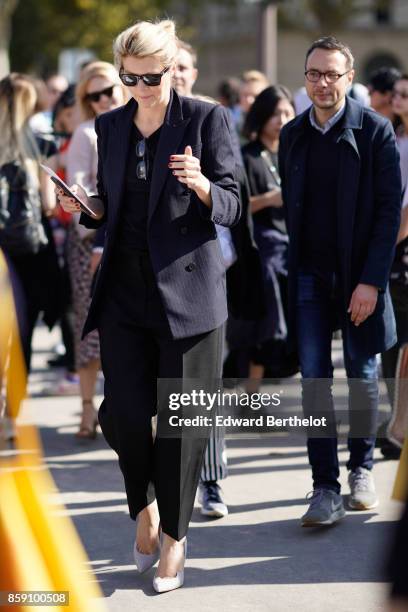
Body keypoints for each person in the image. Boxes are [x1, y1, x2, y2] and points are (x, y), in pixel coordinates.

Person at [56, 19, 240, 593]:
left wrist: (205, 185)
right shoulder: (109, 125)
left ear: (171, 67)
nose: (142, 87)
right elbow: (109, 206)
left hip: (189, 297)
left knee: (184, 427)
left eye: (153, 76)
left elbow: (234, 205)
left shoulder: (206, 118)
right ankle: (145, 512)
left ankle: (175, 541)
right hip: (126, 293)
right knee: (124, 416)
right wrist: (86, 208)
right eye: (130, 77)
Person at [279, 36, 401, 526]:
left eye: (332, 74)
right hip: (309, 274)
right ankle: (324, 486)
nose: (322, 83)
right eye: (314, 74)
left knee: (363, 376)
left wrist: (371, 281)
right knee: (314, 381)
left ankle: (362, 469)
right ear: (305, 79)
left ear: (350, 79)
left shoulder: (375, 131)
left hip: (360, 277)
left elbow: (388, 212)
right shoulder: (292, 134)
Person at [65, 61, 126, 438]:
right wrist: (97, 235)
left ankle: (122, 411)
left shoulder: (136, 125)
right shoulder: (86, 133)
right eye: (94, 94)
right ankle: (87, 410)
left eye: (109, 91)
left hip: (129, 240)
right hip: (91, 240)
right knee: (90, 329)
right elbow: (77, 191)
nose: (103, 99)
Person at [0, 73, 61, 439]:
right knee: (21, 329)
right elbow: (50, 205)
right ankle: (11, 415)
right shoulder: (41, 143)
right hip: (30, 250)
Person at [241, 86, 296, 389]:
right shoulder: (247, 155)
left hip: (293, 243)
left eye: (287, 113)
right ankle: (252, 392)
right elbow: (235, 204)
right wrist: (269, 198)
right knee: (266, 320)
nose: (281, 119)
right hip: (262, 245)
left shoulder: (292, 151)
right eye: (275, 113)